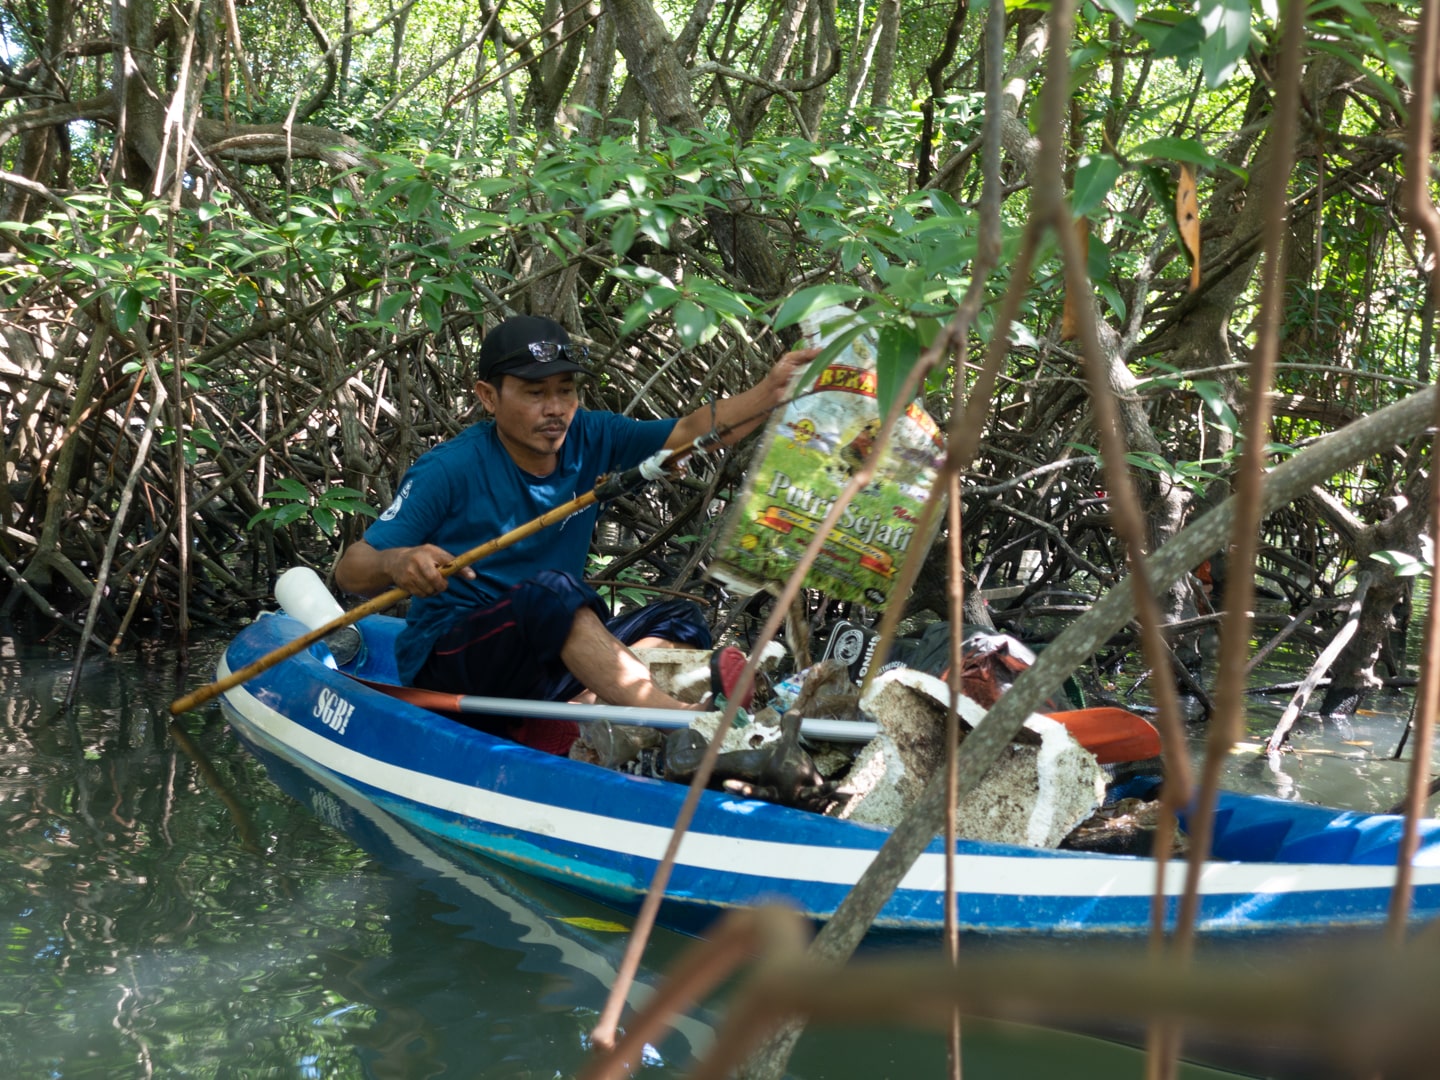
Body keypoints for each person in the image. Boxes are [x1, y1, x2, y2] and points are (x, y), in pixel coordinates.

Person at [335, 314, 816, 753]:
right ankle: (688, 722)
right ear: (488, 396)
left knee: (680, 619)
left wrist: (772, 392)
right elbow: (351, 570)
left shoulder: (591, 436)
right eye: (535, 393)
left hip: (546, 657)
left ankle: (576, 715)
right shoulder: (449, 469)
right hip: (455, 664)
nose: (556, 408)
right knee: (551, 594)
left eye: (566, 390)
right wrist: (397, 562)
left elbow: (692, 431)